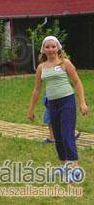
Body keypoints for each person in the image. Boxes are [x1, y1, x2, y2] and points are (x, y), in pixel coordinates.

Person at [28, 36, 89, 182]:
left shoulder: (65, 63)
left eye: (53, 46)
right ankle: (64, 166)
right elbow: (36, 90)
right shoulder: (41, 67)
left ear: (58, 48)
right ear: (43, 49)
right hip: (52, 104)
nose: (50, 49)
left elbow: (77, 82)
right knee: (58, 137)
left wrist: (82, 102)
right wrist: (31, 109)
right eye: (47, 47)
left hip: (67, 102)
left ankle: (75, 169)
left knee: (68, 135)